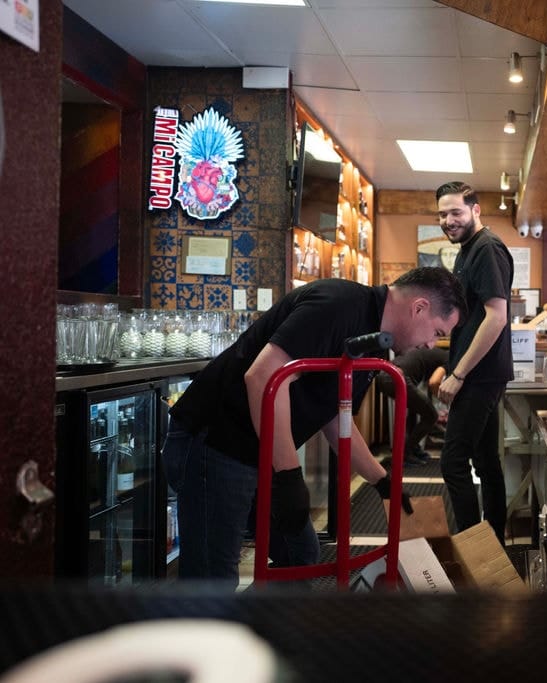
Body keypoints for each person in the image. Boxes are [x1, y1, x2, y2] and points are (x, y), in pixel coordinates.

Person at [163, 267, 466, 583]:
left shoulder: (374, 342)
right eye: (437, 333)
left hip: (255, 450)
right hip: (216, 440)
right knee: (212, 580)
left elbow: (334, 414)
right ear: (419, 308)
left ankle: (259, 627)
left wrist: (380, 479)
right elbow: (263, 377)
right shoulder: (336, 305)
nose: (432, 345)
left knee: (301, 554)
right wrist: (289, 476)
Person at [434, 181, 514, 543]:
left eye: (456, 212)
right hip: (479, 373)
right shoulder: (467, 249)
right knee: (485, 462)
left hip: (478, 375)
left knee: (453, 462)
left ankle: (472, 548)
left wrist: (459, 373)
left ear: (475, 210)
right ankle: (492, 542)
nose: (448, 220)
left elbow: (496, 316)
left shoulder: (486, 248)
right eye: (442, 214)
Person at [374, 346, 448, 467]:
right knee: (431, 415)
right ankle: (405, 454)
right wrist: (444, 402)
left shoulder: (437, 353)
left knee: (416, 414)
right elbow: (434, 382)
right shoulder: (450, 360)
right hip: (398, 377)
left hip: (385, 375)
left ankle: (413, 449)